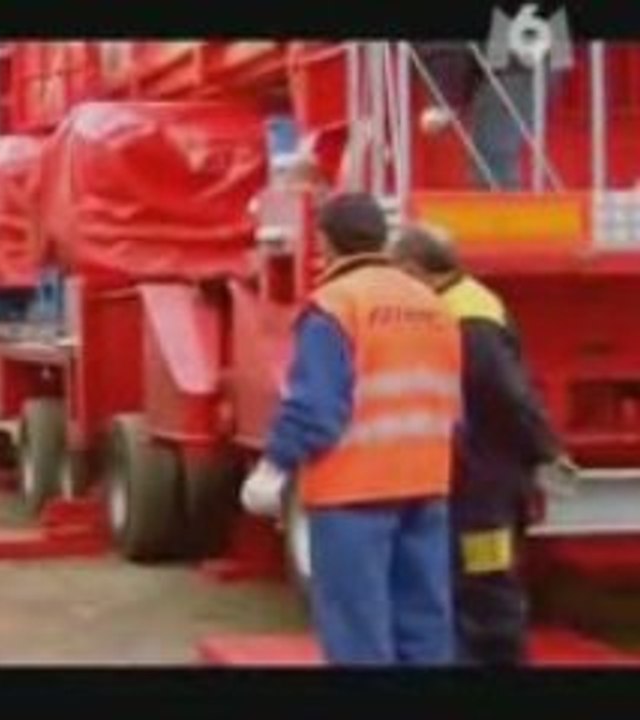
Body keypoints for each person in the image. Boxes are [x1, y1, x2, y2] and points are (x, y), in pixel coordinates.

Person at [240, 192, 463, 666]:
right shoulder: (432, 302)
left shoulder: (336, 305)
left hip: (353, 493)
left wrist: (274, 467)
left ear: (324, 242)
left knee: (358, 634)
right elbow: (454, 402)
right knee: (424, 629)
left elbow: (316, 407)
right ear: (383, 239)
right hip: (426, 484)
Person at [389, 223, 580, 665]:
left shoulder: (469, 318)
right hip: (480, 474)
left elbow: (504, 394)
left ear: (416, 269)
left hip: (485, 483)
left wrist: (545, 450)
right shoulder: (461, 305)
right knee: (474, 581)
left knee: (485, 581)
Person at [415, 42, 560, 190]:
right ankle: (502, 208)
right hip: (528, 54)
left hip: (516, 60)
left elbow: (445, 49)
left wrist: (445, 99)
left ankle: (503, 210)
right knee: (491, 158)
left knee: (491, 159)